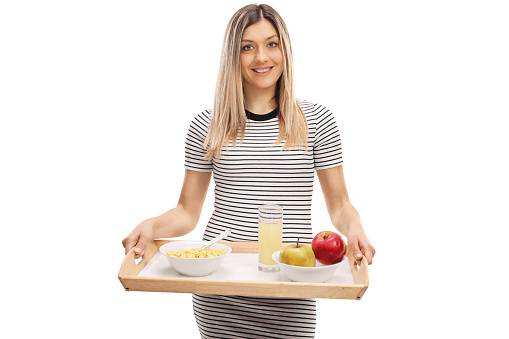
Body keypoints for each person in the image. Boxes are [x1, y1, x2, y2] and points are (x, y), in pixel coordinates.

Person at [122, 4, 375, 338]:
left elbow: (340, 204)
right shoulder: (207, 126)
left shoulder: (316, 121)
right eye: (247, 47)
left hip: (290, 284)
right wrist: (151, 225)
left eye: (271, 44)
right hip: (220, 286)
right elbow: (187, 211)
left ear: (284, 50)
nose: (261, 57)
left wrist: (355, 226)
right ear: (233, 56)